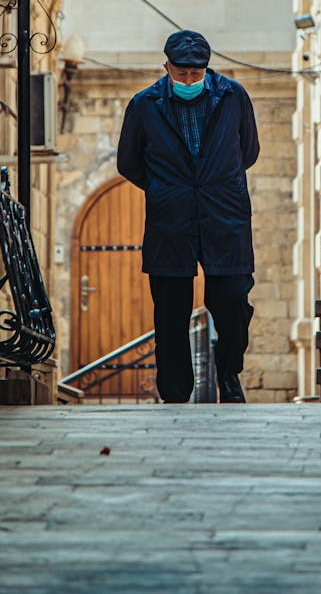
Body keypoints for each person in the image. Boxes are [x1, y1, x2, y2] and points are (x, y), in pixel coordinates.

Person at [117, 29, 259, 404]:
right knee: (170, 311)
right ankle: (176, 391)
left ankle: (229, 374)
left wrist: (217, 181)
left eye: (196, 74)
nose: (189, 80)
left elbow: (248, 150)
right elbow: (128, 162)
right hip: (170, 220)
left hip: (224, 215)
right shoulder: (144, 105)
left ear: (207, 69)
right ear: (166, 67)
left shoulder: (233, 97)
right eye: (181, 74)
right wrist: (166, 188)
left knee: (232, 300)